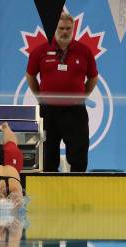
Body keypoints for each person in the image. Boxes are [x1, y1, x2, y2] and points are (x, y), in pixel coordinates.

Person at [25, 11, 99, 172]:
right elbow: (30, 75)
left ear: (73, 28)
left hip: (75, 111)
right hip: (48, 110)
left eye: (68, 28)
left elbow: (93, 77)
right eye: (61, 28)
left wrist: (82, 96)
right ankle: (50, 192)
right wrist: (40, 97)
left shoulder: (84, 51)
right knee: (48, 155)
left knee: (78, 155)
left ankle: (77, 189)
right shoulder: (40, 51)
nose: (64, 32)